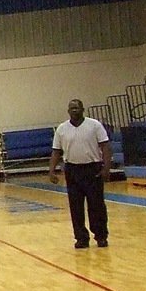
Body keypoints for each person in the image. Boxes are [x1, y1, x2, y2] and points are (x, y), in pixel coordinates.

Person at [49, 98, 113, 248]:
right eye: (71, 108)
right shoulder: (62, 129)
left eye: (77, 108)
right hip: (72, 170)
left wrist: (106, 168)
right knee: (75, 207)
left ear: (83, 109)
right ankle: (81, 238)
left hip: (92, 169)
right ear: (68, 111)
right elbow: (56, 151)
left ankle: (101, 236)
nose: (74, 111)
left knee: (96, 206)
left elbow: (105, 147)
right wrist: (52, 170)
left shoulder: (94, 125)